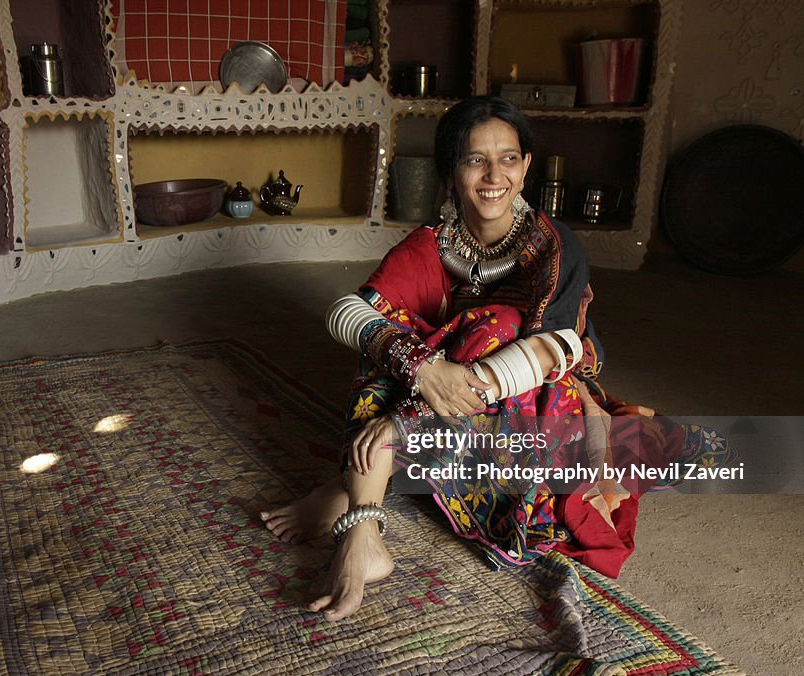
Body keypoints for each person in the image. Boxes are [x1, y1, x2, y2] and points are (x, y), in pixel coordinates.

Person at [259, 96, 729, 622]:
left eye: (508, 158)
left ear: (527, 166)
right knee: (389, 336)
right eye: (473, 159)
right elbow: (347, 311)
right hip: (447, 393)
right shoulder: (431, 246)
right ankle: (362, 529)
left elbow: (554, 348)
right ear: (450, 171)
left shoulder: (555, 247)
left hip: (534, 397)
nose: (492, 175)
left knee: (497, 326)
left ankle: (355, 483)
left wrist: (405, 417)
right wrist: (424, 369)